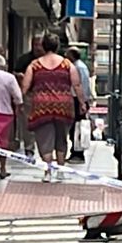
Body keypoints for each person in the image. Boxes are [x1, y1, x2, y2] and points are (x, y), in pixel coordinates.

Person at [20, 33, 80, 180]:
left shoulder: (34, 65)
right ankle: (60, 171)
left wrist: (20, 100)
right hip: (64, 106)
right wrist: (83, 102)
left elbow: (25, 86)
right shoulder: (67, 64)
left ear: (44, 46)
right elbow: (77, 85)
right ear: (58, 46)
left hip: (41, 106)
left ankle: (47, 172)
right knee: (62, 138)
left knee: (44, 138)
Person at [68, 47, 95, 164]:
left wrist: (82, 102)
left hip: (78, 100)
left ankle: (78, 153)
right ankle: (75, 150)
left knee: (77, 128)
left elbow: (81, 85)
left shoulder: (78, 67)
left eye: (67, 54)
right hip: (78, 100)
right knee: (75, 127)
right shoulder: (79, 66)